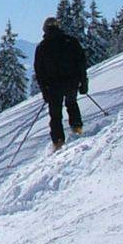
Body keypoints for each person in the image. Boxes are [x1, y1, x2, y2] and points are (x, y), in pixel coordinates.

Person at [32, 16, 89, 151]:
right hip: (71, 82)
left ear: (45, 29)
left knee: (55, 114)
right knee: (72, 104)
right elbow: (81, 62)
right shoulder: (70, 41)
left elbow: (39, 72)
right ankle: (77, 129)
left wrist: (44, 90)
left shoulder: (42, 47)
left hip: (53, 87)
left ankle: (58, 142)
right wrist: (83, 81)